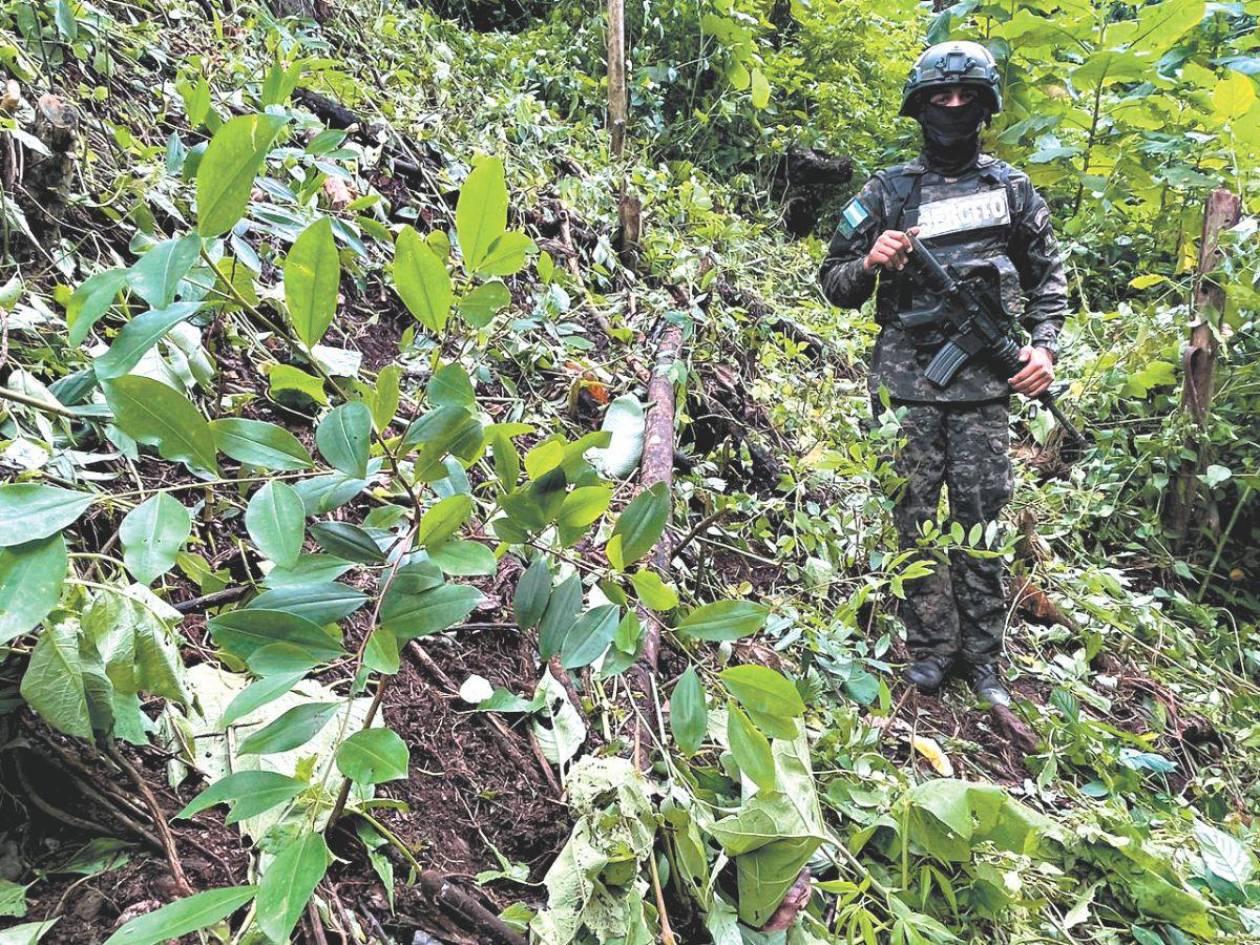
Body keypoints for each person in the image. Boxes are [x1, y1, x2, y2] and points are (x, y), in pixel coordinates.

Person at [817, 41, 1068, 706]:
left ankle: (983, 659)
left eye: (965, 98)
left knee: (982, 518)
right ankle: (930, 647)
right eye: (940, 97)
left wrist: (1043, 348)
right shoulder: (887, 191)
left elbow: (1048, 280)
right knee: (914, 514)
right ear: (920, 106)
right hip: (906, 384)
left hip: (986, 385)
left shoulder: (1011, 191)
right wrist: (870, 262)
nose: (953, 108)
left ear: (985, 106)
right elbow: (834, 283)